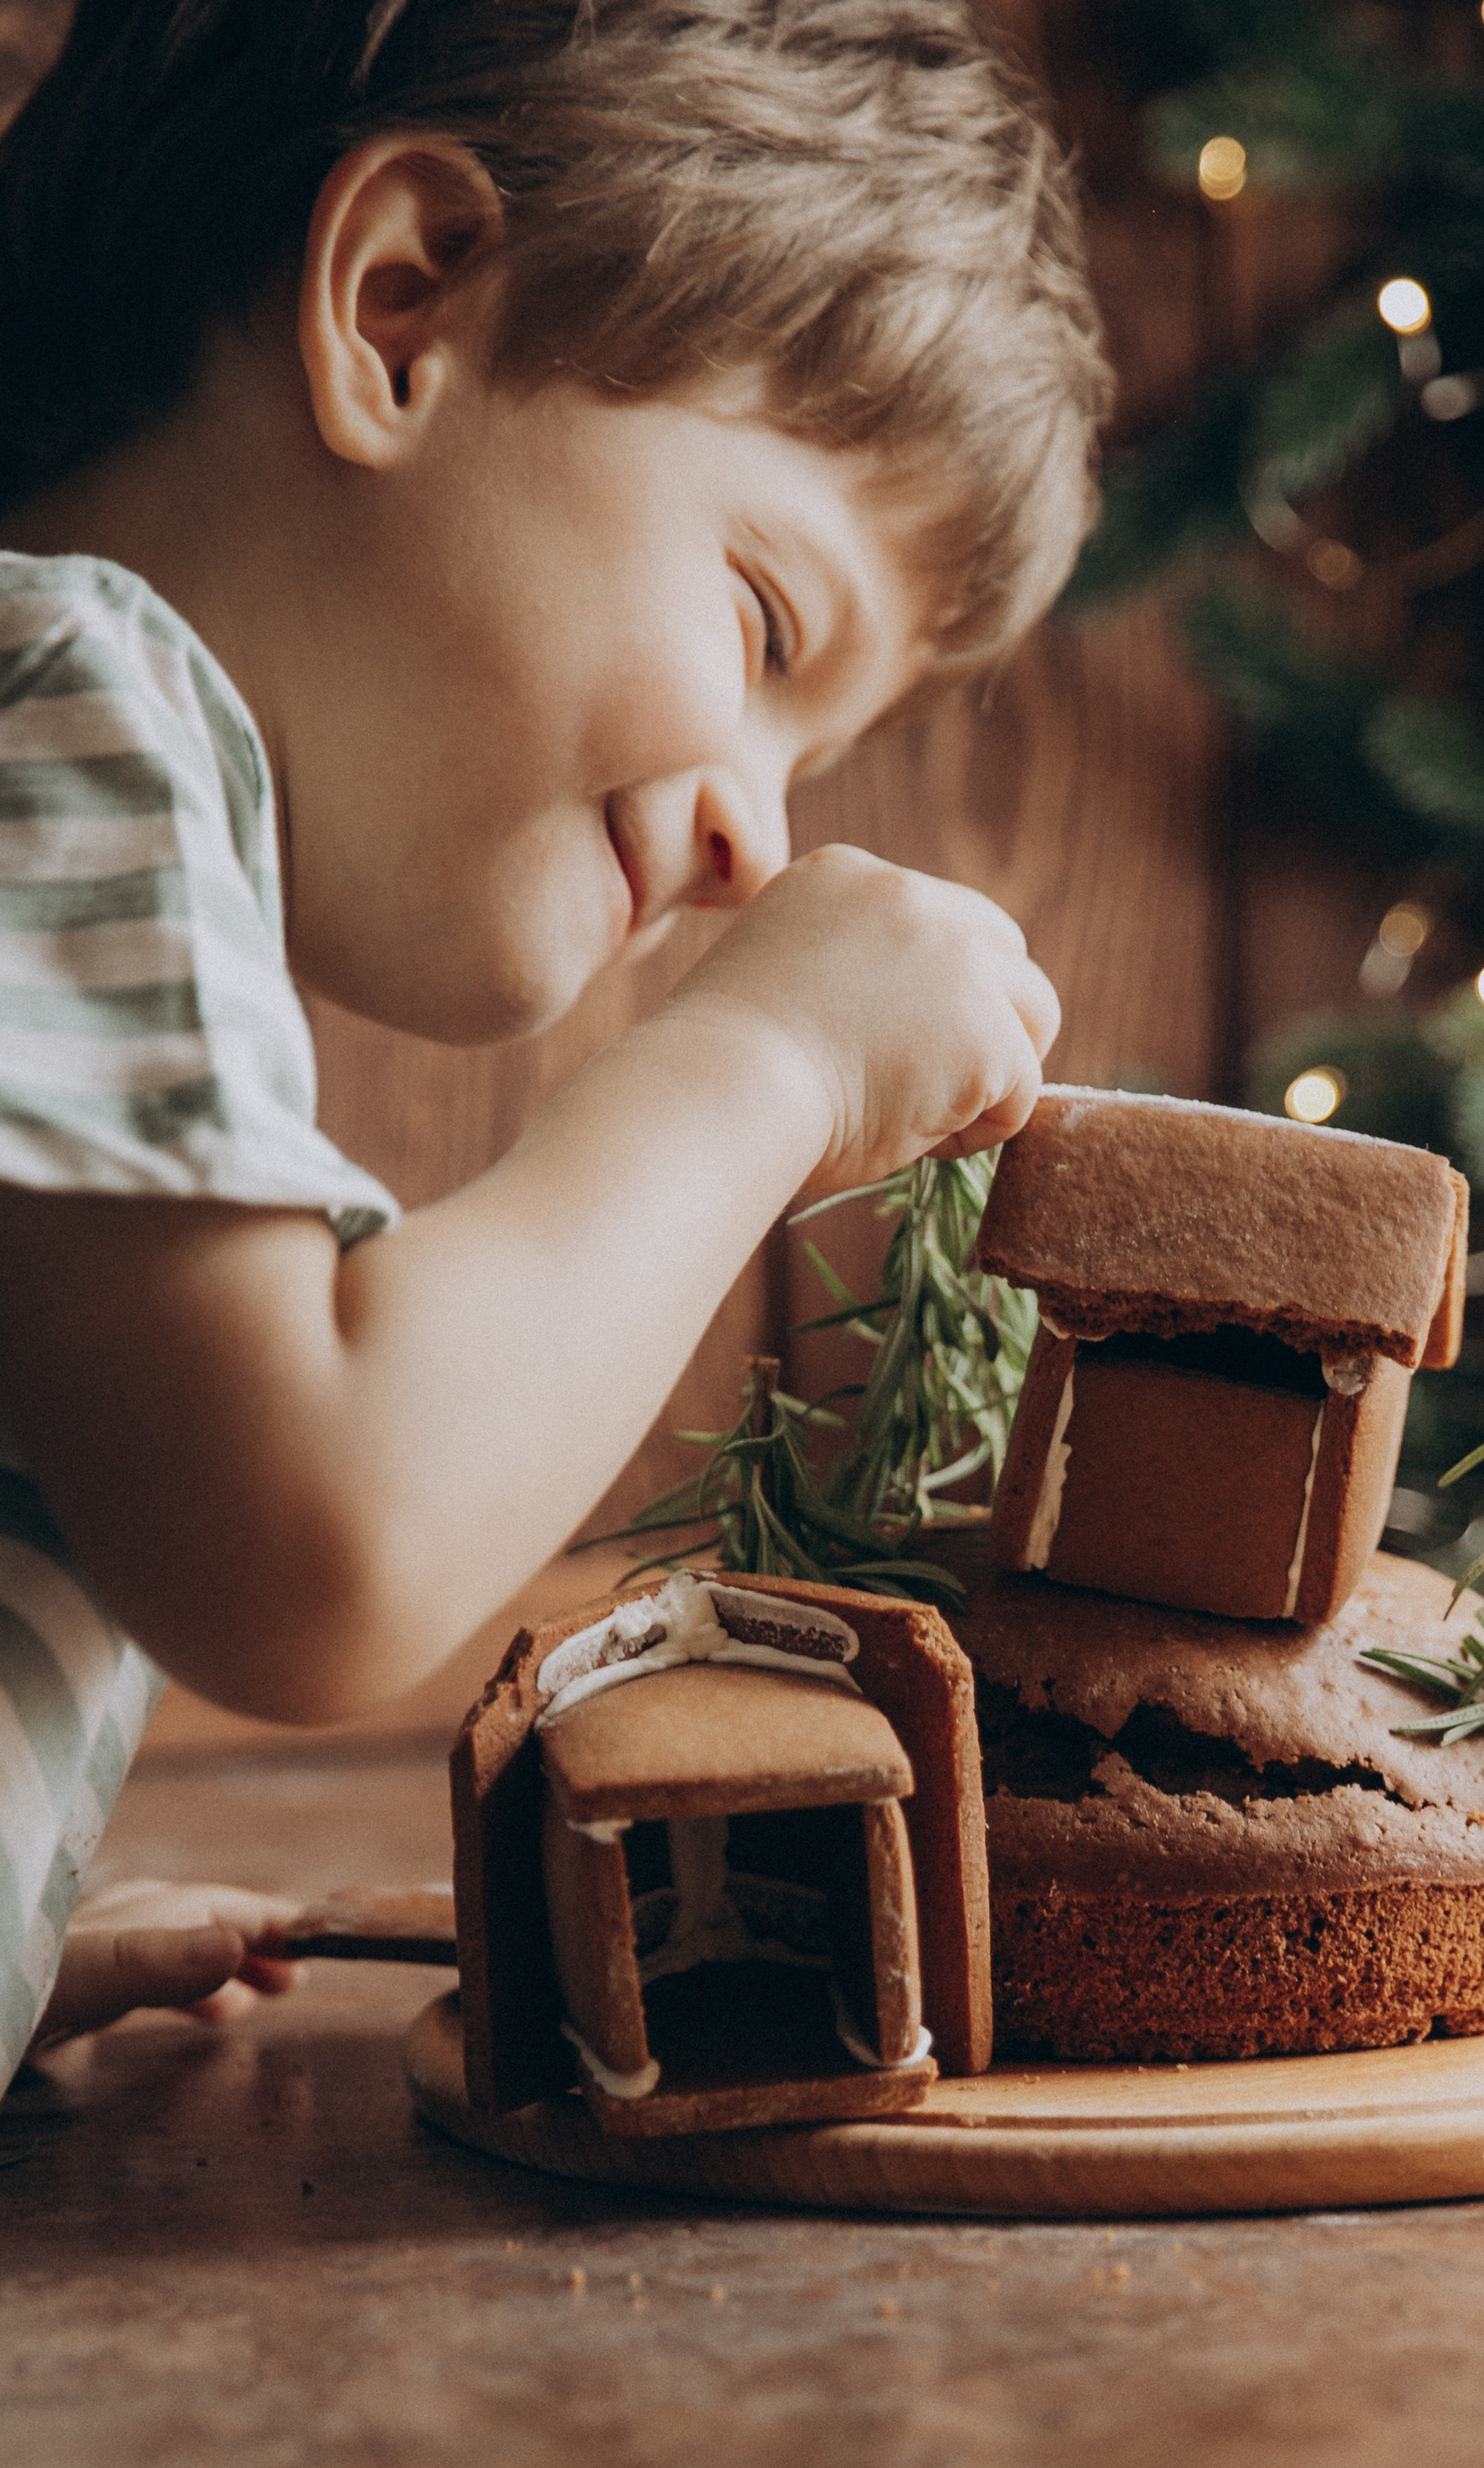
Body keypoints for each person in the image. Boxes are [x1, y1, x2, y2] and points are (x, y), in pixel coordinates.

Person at [0, 0, 1108, 2087]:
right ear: (403, 310)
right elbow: (306, 1546)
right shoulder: (72, 694)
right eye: (770, 628)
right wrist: (761, 1063)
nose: (757, 830)